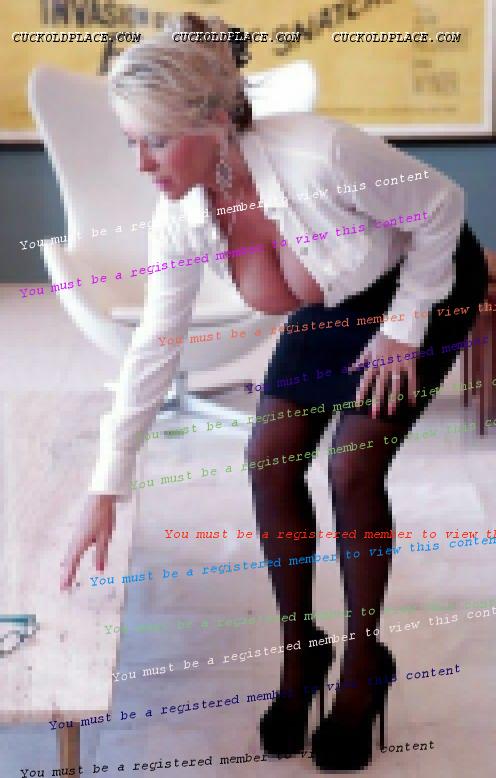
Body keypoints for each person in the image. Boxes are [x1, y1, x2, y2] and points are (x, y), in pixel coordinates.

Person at [60, 11, 488, 771]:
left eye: (156, 141)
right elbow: (154, 346)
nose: (143, 165)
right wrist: (106, 486)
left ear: (211, 123)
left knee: (352, 466)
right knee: (269, 458)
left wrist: (404, 327)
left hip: (424, 281)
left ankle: (365, 661)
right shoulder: (181, 216)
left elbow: (441, 205)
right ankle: (302, 651)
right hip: (333, 295)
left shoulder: (321, 153)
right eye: (132, 143)